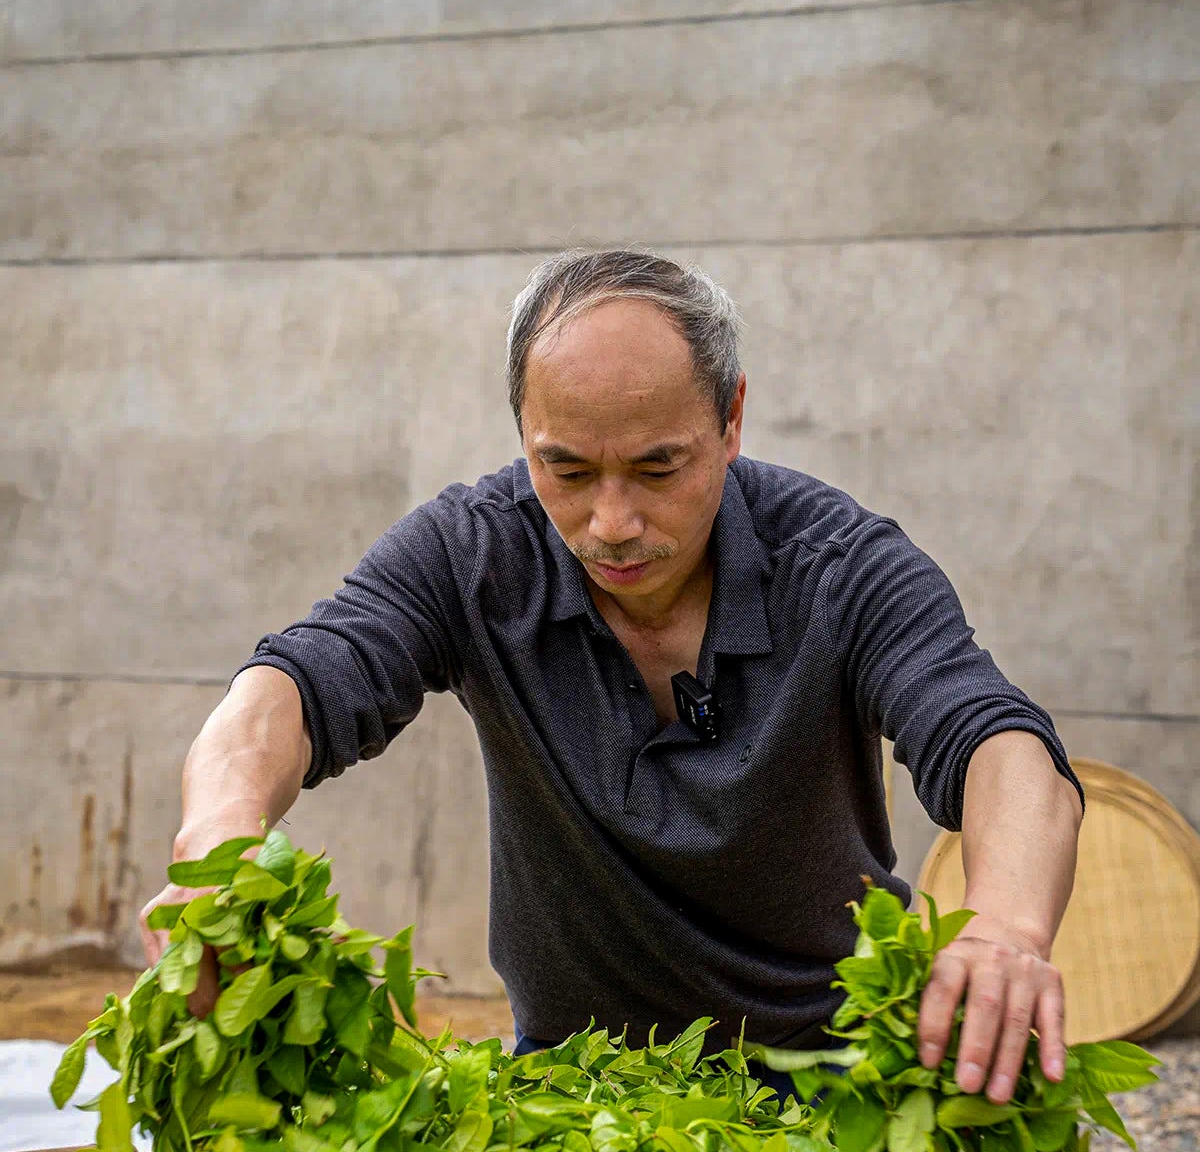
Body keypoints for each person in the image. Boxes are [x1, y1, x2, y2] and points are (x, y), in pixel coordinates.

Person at [141, 248, 1083, 1106]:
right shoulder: (474, 554)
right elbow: (295, 684)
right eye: (567, 470)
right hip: (568, 1089)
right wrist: (219, 834)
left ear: (731, 419)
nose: (612, 523)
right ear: (525, 434)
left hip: (835, 1079)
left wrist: (1006, 925)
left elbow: (993, 738)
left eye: (657, 468)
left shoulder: (840, 565)